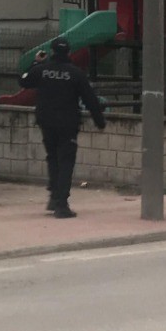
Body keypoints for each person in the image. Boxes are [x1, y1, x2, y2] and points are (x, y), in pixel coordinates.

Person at [21, 37, 105, 218]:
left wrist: (35, 62)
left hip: (46, 122)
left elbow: (23, 81)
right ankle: (61, 204)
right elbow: (90, 99)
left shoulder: (41, 70)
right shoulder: (75, 73)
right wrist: (100, 121)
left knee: (53, 158)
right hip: (68, 123)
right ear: (68, 52)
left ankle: (53, 196)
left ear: (51, 52)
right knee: (66, 161)